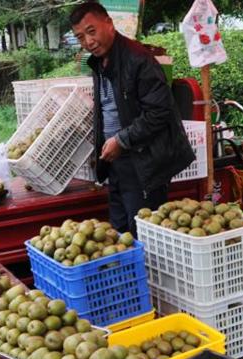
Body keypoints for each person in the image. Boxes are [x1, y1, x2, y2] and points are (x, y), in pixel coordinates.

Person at [70, 2, 194, 236]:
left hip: (143, 163)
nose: (88, 42)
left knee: (143, 235)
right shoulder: (98, 63)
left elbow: (160, 111)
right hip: (116, 164)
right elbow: (109, 109)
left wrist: (122, 140)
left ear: (109, 23)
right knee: (119, 234)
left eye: (91, 31)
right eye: (80, 37)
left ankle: (148, 274)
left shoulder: (138, 59)